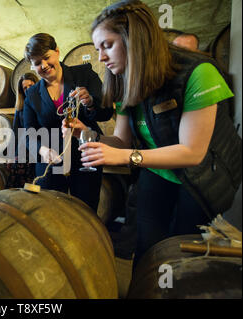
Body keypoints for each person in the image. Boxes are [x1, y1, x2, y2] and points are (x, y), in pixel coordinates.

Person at [65, 0, 240, 266]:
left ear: (134, 38)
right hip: (157, 173)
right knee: (146, 248)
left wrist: (126, 158)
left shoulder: (198, 73)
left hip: (200, 179)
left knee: (181, 255)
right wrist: (89, 134)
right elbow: (122, 141)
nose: (100, 57)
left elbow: (192, 152)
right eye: (98, 48)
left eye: (107, 45)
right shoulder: (126, 80)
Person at [23, 33, 113, 212]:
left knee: (86, 210)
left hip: (86, 157)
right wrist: (42, 150)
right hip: (51, 162)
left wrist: (90, 103)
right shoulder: (32, 93)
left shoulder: (83, 74)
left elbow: (106, 113)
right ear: (32, 66)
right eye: (37, 63)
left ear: (57, 51)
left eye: (47, 58)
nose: (44, 65)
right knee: (52, 212)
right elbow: (28, 133)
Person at [6, 72, 39, 188]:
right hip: (23, 151)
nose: (28, 89)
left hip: (40, 148)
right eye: (25, 88)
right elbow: (16, 132)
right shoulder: (20, 107)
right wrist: (11, 156)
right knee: (18, 186)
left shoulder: (44, 103)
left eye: (31, 85)